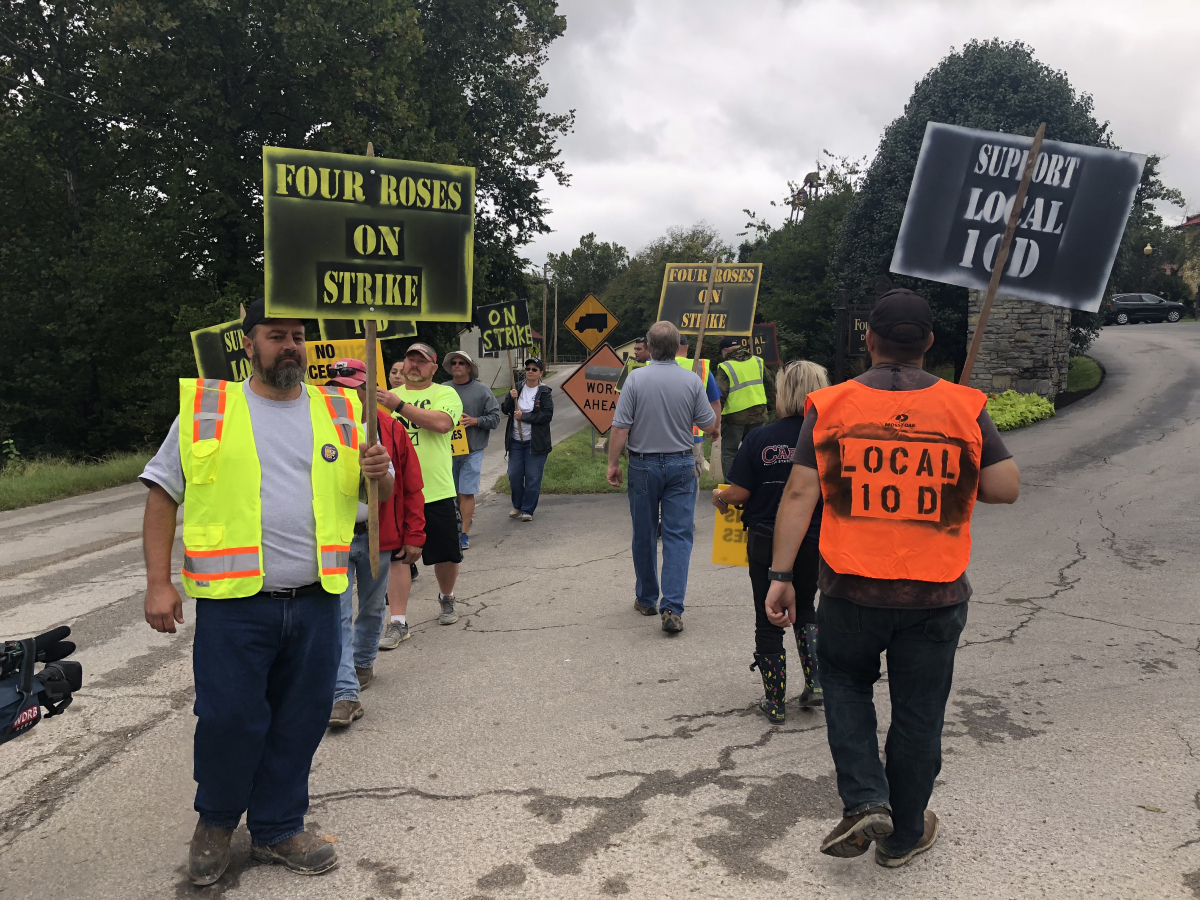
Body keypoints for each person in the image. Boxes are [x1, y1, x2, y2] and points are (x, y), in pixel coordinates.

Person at [140, 299, 394, 885]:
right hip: (235, 606)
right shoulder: (209, 409)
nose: (290, 346)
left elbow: (365, 493)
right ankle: (216, 823)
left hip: (317, 601)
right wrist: (159, 582)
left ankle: (279, 826)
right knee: (229, 718)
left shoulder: (339, 409)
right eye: (275, 335)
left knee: (301, 718)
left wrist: (375, 469)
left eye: (298, 336)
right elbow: (161, 495)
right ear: (249, 344)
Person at [764, 289, 1020, 868]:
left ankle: (863, 799)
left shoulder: (830, 405)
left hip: (851, 589)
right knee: (918, 714)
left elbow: (802, 492)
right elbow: (1005, 487)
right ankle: (904, 836)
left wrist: (782, 575)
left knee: (847, 685)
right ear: (929, 342)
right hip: (936, 593)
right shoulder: (964, 404)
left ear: (868, 341)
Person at [712, 360, 827, 725]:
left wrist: (722, 496)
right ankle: (816, 680)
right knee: (806, 607)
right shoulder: (830, 438)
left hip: (765, 538)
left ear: (783, 394)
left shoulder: (760, 438)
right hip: (815, 538)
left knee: (769, 616)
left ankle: (774, 700)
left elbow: (741, 490)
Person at [323, 359, 424, 729]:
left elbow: (412, 486)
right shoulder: (319, 430)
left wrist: (415, 535)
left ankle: (363, 663)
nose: (347, 394)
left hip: (378, 536)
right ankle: (344, 691)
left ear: (371, 391)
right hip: (333, 537)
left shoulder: (391, 431)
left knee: (370, 607)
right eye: (339, 386)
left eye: (356, 387)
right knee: (335, 614)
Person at [607, 321, 717, 634]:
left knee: (643, 533)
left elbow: (620, 428)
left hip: (643, 465)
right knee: (678, 536)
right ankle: (673, 605)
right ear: (677, 346)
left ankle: (646, 598)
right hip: (681, 463)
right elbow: (708, 423)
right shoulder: (692, 380)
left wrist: (613, 462)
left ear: (651, 348)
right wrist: (714, 428)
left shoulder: (635, 379)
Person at [377, 343, 465, 647]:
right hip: (396, 493)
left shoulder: (445, 394)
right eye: (410, 360)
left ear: (433, 366)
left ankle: (447, 597)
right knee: (399, 556)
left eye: (421, 361)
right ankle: (398, 622)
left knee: (446, 555)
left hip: (436, 489)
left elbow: (442, 424)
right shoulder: (387, 396)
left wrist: (397, 406)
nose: (414, 365)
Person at [444, 350, 501, 549]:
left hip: (473, 449)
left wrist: (475, 421)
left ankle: (463, 533)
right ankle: (465, 519)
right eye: (453, 363)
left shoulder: (482, 390)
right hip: (447, 450)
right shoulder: (442, 389)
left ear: (469, 368)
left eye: (461, 363)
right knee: (453, 492)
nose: (457, 365)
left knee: (467, 491)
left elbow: (495, 418)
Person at [500, 356, 554, 522]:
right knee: (514, 475)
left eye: (534, 369)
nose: (530, 372)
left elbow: (547, 415)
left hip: (535, 443)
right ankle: (517, 505)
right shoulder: (517, 388)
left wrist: (525, 417)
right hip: (516, 442)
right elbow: (504, 409)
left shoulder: (544, 392)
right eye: (528, 369)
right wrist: (510, 397)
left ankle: (527, 509)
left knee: (532, 477)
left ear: (541, 373)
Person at [715, 335, 776, 475]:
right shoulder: (757, 361)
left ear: (725, 350)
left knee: (730, 451)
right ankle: (756, 483)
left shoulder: (726, 366)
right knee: (756, 450)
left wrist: (715, 420)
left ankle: (730, 485)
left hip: (734, 417)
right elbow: (770, 385)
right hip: (759, 414)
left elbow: (721, 395)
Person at [676, 334, 723, 474]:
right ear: (687, 347)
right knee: (689, 483)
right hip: (692, 436)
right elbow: (714, 402)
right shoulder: (701, 368)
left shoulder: (651, 366)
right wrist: (715, 428)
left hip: (659, 439)